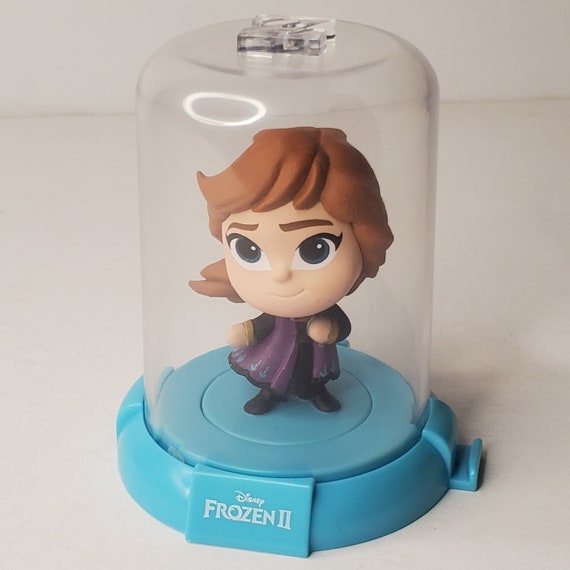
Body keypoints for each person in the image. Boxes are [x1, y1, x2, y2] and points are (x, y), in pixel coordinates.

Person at [189, 127, 393, 414]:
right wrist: (245, 332)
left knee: (314, 379)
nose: (280, 274)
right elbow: (263, 325)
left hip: (316, 357)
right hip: (277, 352)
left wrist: (328, 329)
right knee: (274, 377)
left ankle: (317, 393)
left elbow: (342, 326)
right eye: (248, 250)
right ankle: (269, 394)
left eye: (316, 249)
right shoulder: (275, 313)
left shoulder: (326, 307)